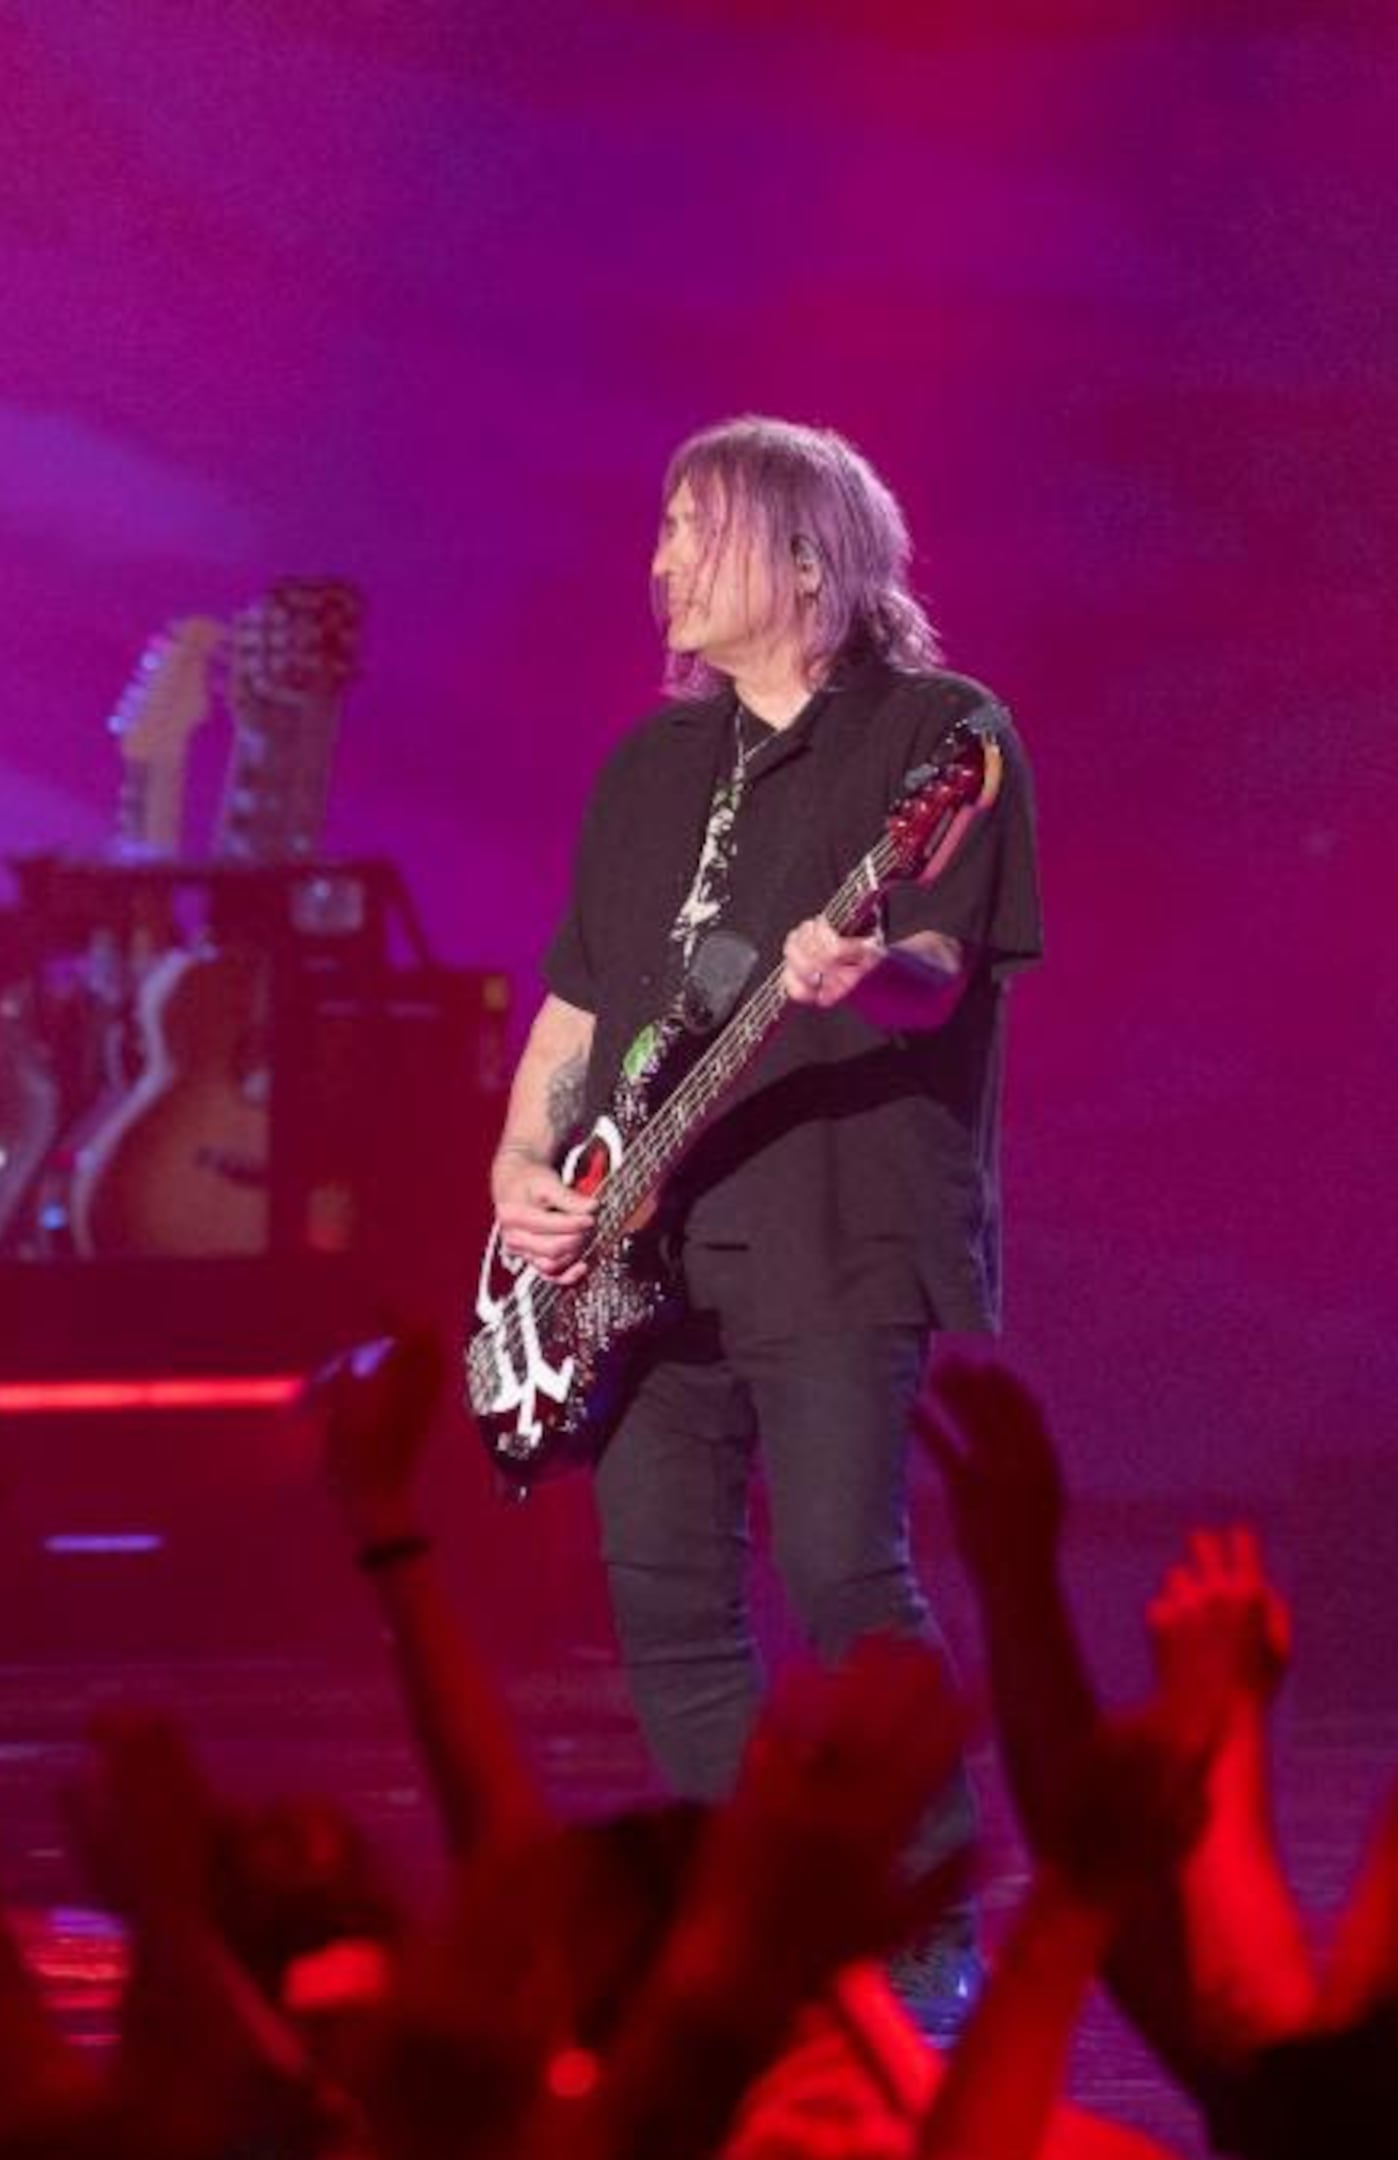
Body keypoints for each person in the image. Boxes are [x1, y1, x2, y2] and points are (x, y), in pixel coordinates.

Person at [490, 414, 1042, 2033]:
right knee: (663, 1596)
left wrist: (872, 962)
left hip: (838, 1222)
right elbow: (574, 1012)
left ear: (806, 556)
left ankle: (931, 1932)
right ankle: (766, 1938)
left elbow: (949, 962)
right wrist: (517, 1167)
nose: (656, 558)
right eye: (657, 527)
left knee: (840, 1574)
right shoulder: (650, 768)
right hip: (647, 1257)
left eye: (692, 525)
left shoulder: (941, 738)